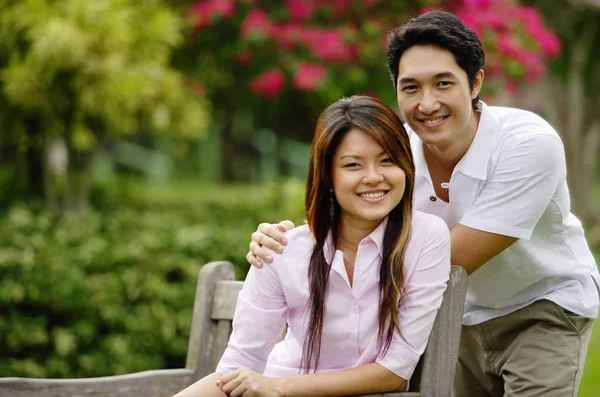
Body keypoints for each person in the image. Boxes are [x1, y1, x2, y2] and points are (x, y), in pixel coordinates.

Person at [247, 11, 600, 397]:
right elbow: (348, 218)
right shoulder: (393, 154)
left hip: (539, 305)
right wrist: (284, 244)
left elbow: (452, 258)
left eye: (443, 83)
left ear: (476, 82)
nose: (427, 103)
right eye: (411, 88)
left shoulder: (528, 145)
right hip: (450, 313)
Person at [174, 95, 451, 397]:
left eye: (387, 160)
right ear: (328, 176)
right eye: (353, 165)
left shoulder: (426, 237)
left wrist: (279, 387)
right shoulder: (282, 249)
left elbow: (395, 372)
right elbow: (238, 367)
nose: (373, 177)